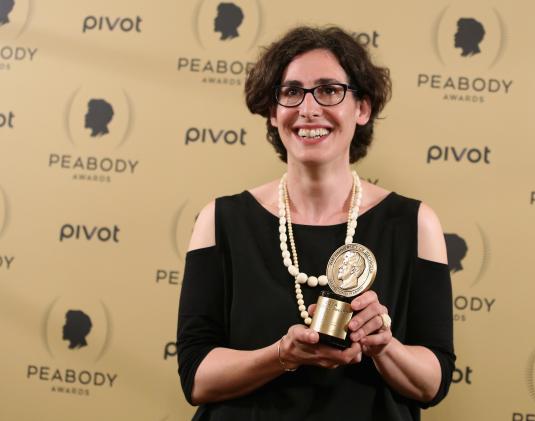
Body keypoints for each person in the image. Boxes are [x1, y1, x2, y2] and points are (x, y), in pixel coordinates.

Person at [177, 26, 455, 421]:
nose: (308, 109)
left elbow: (433, 384)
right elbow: (195, 377)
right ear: (273, 112)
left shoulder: (414, 224)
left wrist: (383, 345)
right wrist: (282, 356)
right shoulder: (220, 220)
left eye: (329, 90)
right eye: (291, 92)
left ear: (362, 108)